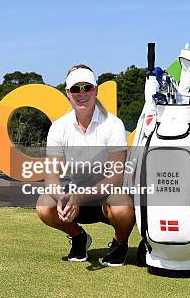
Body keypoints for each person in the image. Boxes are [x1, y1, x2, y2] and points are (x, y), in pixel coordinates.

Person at [36, 64, 135, 266]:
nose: (82, 94)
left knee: (122, 206)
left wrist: (79, 197)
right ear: (67, 93)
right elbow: (51, 177)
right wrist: (62, 197)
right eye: (75, 89)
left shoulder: (113, 124)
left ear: (96, 90)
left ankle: (120, 243)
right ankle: (79, 237)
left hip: (108, 197)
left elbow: (116, 177)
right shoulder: (58, 127)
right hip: (76, 198)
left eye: (87, 88)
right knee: (44, 205)